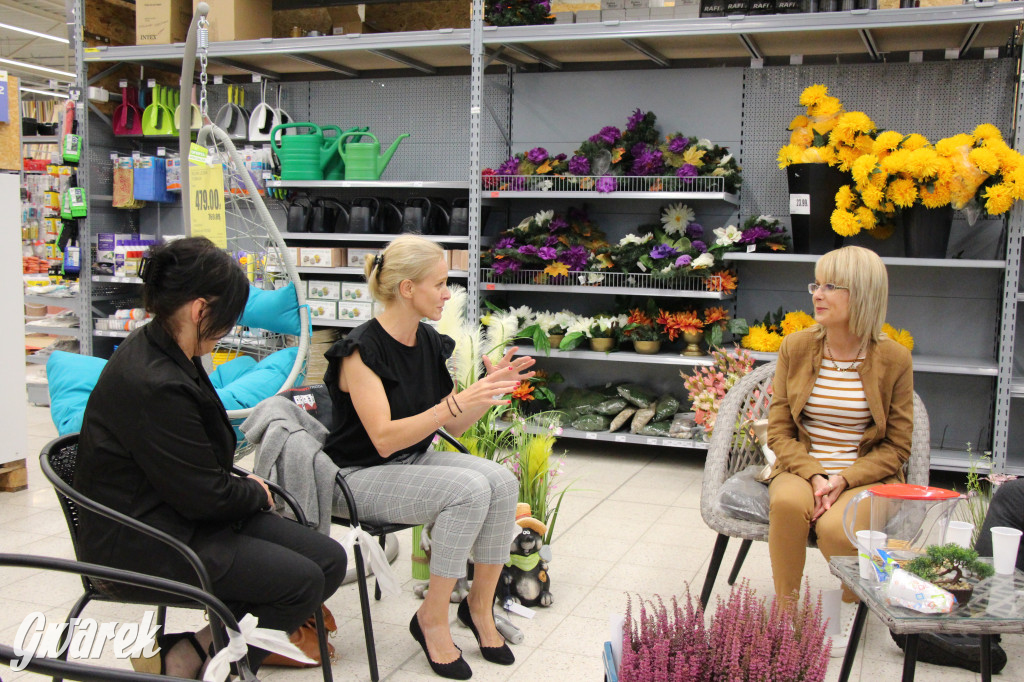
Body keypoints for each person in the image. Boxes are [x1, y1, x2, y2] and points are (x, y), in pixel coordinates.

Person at [74, 237, 347, 678]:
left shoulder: (170, 348)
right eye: (229, 317)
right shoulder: (155, 381)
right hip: (145, 537)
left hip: (178, 512)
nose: (231, 328)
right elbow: (204, 495)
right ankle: (211, 666)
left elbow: (196, 472)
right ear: (200, 310)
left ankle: (192, 652)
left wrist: (242, 490)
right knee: (301, 582)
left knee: (328, 560)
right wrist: (254, 493)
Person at [323, 234, 534, 680]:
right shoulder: (360, 351)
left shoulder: (429, 342)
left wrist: (489, 389)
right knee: (469, 490)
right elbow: (382, 439)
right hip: (357, 476)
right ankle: (431, 619)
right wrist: (456, 402)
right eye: (439, 284)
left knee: (501, 481)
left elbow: (450, 425)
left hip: (408, 464)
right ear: (406, 288)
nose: (446, 294)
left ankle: (479, 607)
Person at [766, 245, 913, 654]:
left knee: (834, 529)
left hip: (865, 474)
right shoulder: (795, 348)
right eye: (816, 283)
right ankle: (787, 616)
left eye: (832, 285)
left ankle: (848, 605)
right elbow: (778, 433)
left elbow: (898, 445)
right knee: (787, 506)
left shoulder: (894, 359)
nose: (817, 293)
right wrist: (815, 474)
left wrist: (843, 478)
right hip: (802, 466)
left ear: (863, 293)